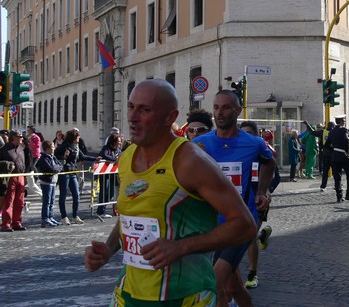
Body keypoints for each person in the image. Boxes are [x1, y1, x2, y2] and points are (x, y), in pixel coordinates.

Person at [84, 80, 257, 306]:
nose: (133, 117)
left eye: (144, 110)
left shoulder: (191, 162)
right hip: (129, 293)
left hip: (184, 296)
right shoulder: (126, 158)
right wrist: (108, 249)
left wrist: (180, 247)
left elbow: (245, 225)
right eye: (131, 107)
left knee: (233, 286)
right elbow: (134, 215)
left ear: (169, 117)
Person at [194, 90, 275, 307]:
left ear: (238, 110)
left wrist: (261, 191)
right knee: (233, 286)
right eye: (216, 107)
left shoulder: (254, 143)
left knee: (215, 281)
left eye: (226, 107)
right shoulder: (200, 144)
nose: (219, 113)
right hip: (215, 225)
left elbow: (270, 162)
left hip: (242, 222)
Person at [240, 121, 280, 290]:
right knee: (244, 236)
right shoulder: (238, 153)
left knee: (248, 237)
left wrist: (266, 192)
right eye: (243, 134)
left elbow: (275, 176)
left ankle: (252, 274)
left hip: (258, 201)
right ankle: (262, 235)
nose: (246, 137)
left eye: (250, 133)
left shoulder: (264, 151)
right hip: (239, 201)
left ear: (257, 135)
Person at [55, 129, 98, 225]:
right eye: (77, 137)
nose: (79, 138)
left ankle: (75, 215)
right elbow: (55, 156)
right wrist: (63, 156)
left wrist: (96, 158)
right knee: (63, 195)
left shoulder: (76, 147)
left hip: (73, 172)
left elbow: (83, 157)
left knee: (76, 194)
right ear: (73, 138)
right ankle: (64, 217)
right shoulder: (64, 146)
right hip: (64, 172)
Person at [0, 131, 28, 232]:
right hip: (10, 177)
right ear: (13, 137)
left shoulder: (21, 149)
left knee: (20, 202)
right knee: (9, 201)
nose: (21, 138)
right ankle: (6, 224)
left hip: (20, 176)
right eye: (19, 136)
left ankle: (16, 222)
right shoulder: (4, 149)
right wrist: (7, 165)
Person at [327, 115, 349, 202]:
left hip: (335, 156)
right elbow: (345, 141)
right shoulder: (344, 130)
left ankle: (339, 197)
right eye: (343, 120)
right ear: (340, 121)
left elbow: (328, 144)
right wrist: (347, 151)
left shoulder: (331, 132)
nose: (344, 122)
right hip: (344, 155)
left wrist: (335, 149)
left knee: (337, 177)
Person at [37, 140, 63, 228]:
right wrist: (56, 168)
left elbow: (60, 165)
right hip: (46, 182)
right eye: (52, 147)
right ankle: (45, 219)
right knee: (46, 202)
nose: (54, 148)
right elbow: (51, 169)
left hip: (53, 182)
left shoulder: (52, 157)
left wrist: (56, 168)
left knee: (52, 201)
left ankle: (50, 217)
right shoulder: (43, 158)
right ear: (47, 149)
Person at [96, 134, 122, 218]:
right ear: (114, 141)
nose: (120, 143)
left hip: (112, 174)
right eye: (119, 141)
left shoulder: (117, 149)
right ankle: (100, 211)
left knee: (110, 193)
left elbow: (121, 155)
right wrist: (115, 158)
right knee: (104, 192)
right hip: (104, 174)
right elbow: (104, 155)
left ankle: (102, 209)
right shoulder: (106, 148)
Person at [25, 125, 43, 197]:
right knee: (31, 166)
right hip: (29, 154)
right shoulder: (27, 136)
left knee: (32, 165)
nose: (27, 131)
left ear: (32, 130)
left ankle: (36, 176)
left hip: (35, 154)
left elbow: (37, 145)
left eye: (28, 130)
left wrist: (29, 142)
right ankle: (33, 176)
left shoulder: (36, 137)